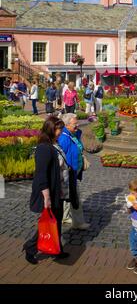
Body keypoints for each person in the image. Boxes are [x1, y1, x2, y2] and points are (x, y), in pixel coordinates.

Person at [22, 116, 70, 265]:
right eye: (58, 129)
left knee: (56, 222)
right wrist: (46, 197)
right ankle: (30, 247)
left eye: (61, 128)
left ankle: (57, 249)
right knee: (49, 223)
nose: (61, 131)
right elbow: (41, 174)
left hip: (59, 190)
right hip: (50, 192)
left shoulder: (54, 143)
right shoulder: (44, 147)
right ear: (51, 129)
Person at [58, 113, 89, 230]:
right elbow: (60, 157)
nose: (77, 126)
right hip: (68, 173)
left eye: (77, 123)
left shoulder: (74, 133)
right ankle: (78, 223)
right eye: (75, 124)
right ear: (66, 125)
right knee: (75, 198)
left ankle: (65, 217)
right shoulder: (64, 138)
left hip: (73, 172)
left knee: (67, 195)